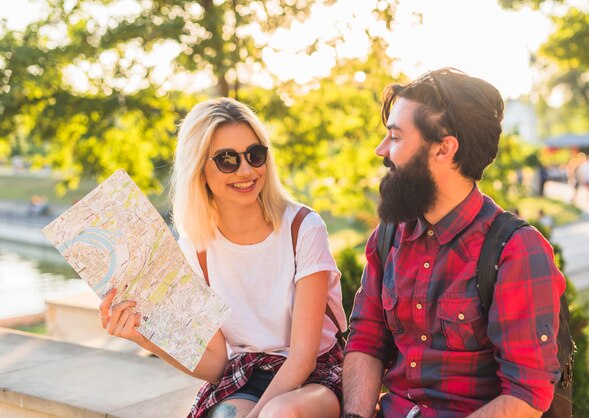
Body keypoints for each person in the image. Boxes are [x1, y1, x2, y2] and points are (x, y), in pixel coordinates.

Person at [99, 98, 346, 418]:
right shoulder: (196, 247)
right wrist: (142, 337)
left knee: (281, 416)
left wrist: (254, 416)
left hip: (315, 377)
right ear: (199, 169)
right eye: (227, 159)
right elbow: (216, 362)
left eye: (255, 155)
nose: (246, 170)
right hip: (245, 374)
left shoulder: (303, 228)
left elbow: (302, 358)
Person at [342, 68, 565, 417]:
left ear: (444, 149)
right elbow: (366, 340)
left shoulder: (515, 251)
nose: (380, 149)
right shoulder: (388, 237)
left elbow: (526, 395)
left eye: (396, 137)